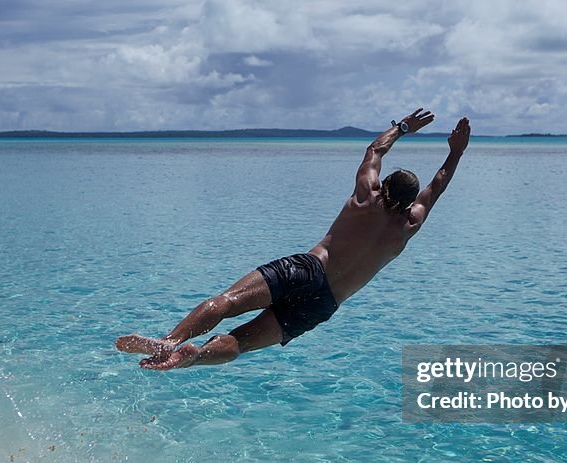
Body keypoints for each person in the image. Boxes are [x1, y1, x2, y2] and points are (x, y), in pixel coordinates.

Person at [116, 108, 471, 370]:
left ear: (385, 184)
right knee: (239, 343)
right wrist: (456, 151)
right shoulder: (408, 226)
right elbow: (437, 184)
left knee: (227, 301)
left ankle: (171, 342)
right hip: (325, 303)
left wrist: (404, 127)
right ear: (410, 201)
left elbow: (374, 151)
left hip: (308, 268)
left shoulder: (367, 196)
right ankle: (193, 358)